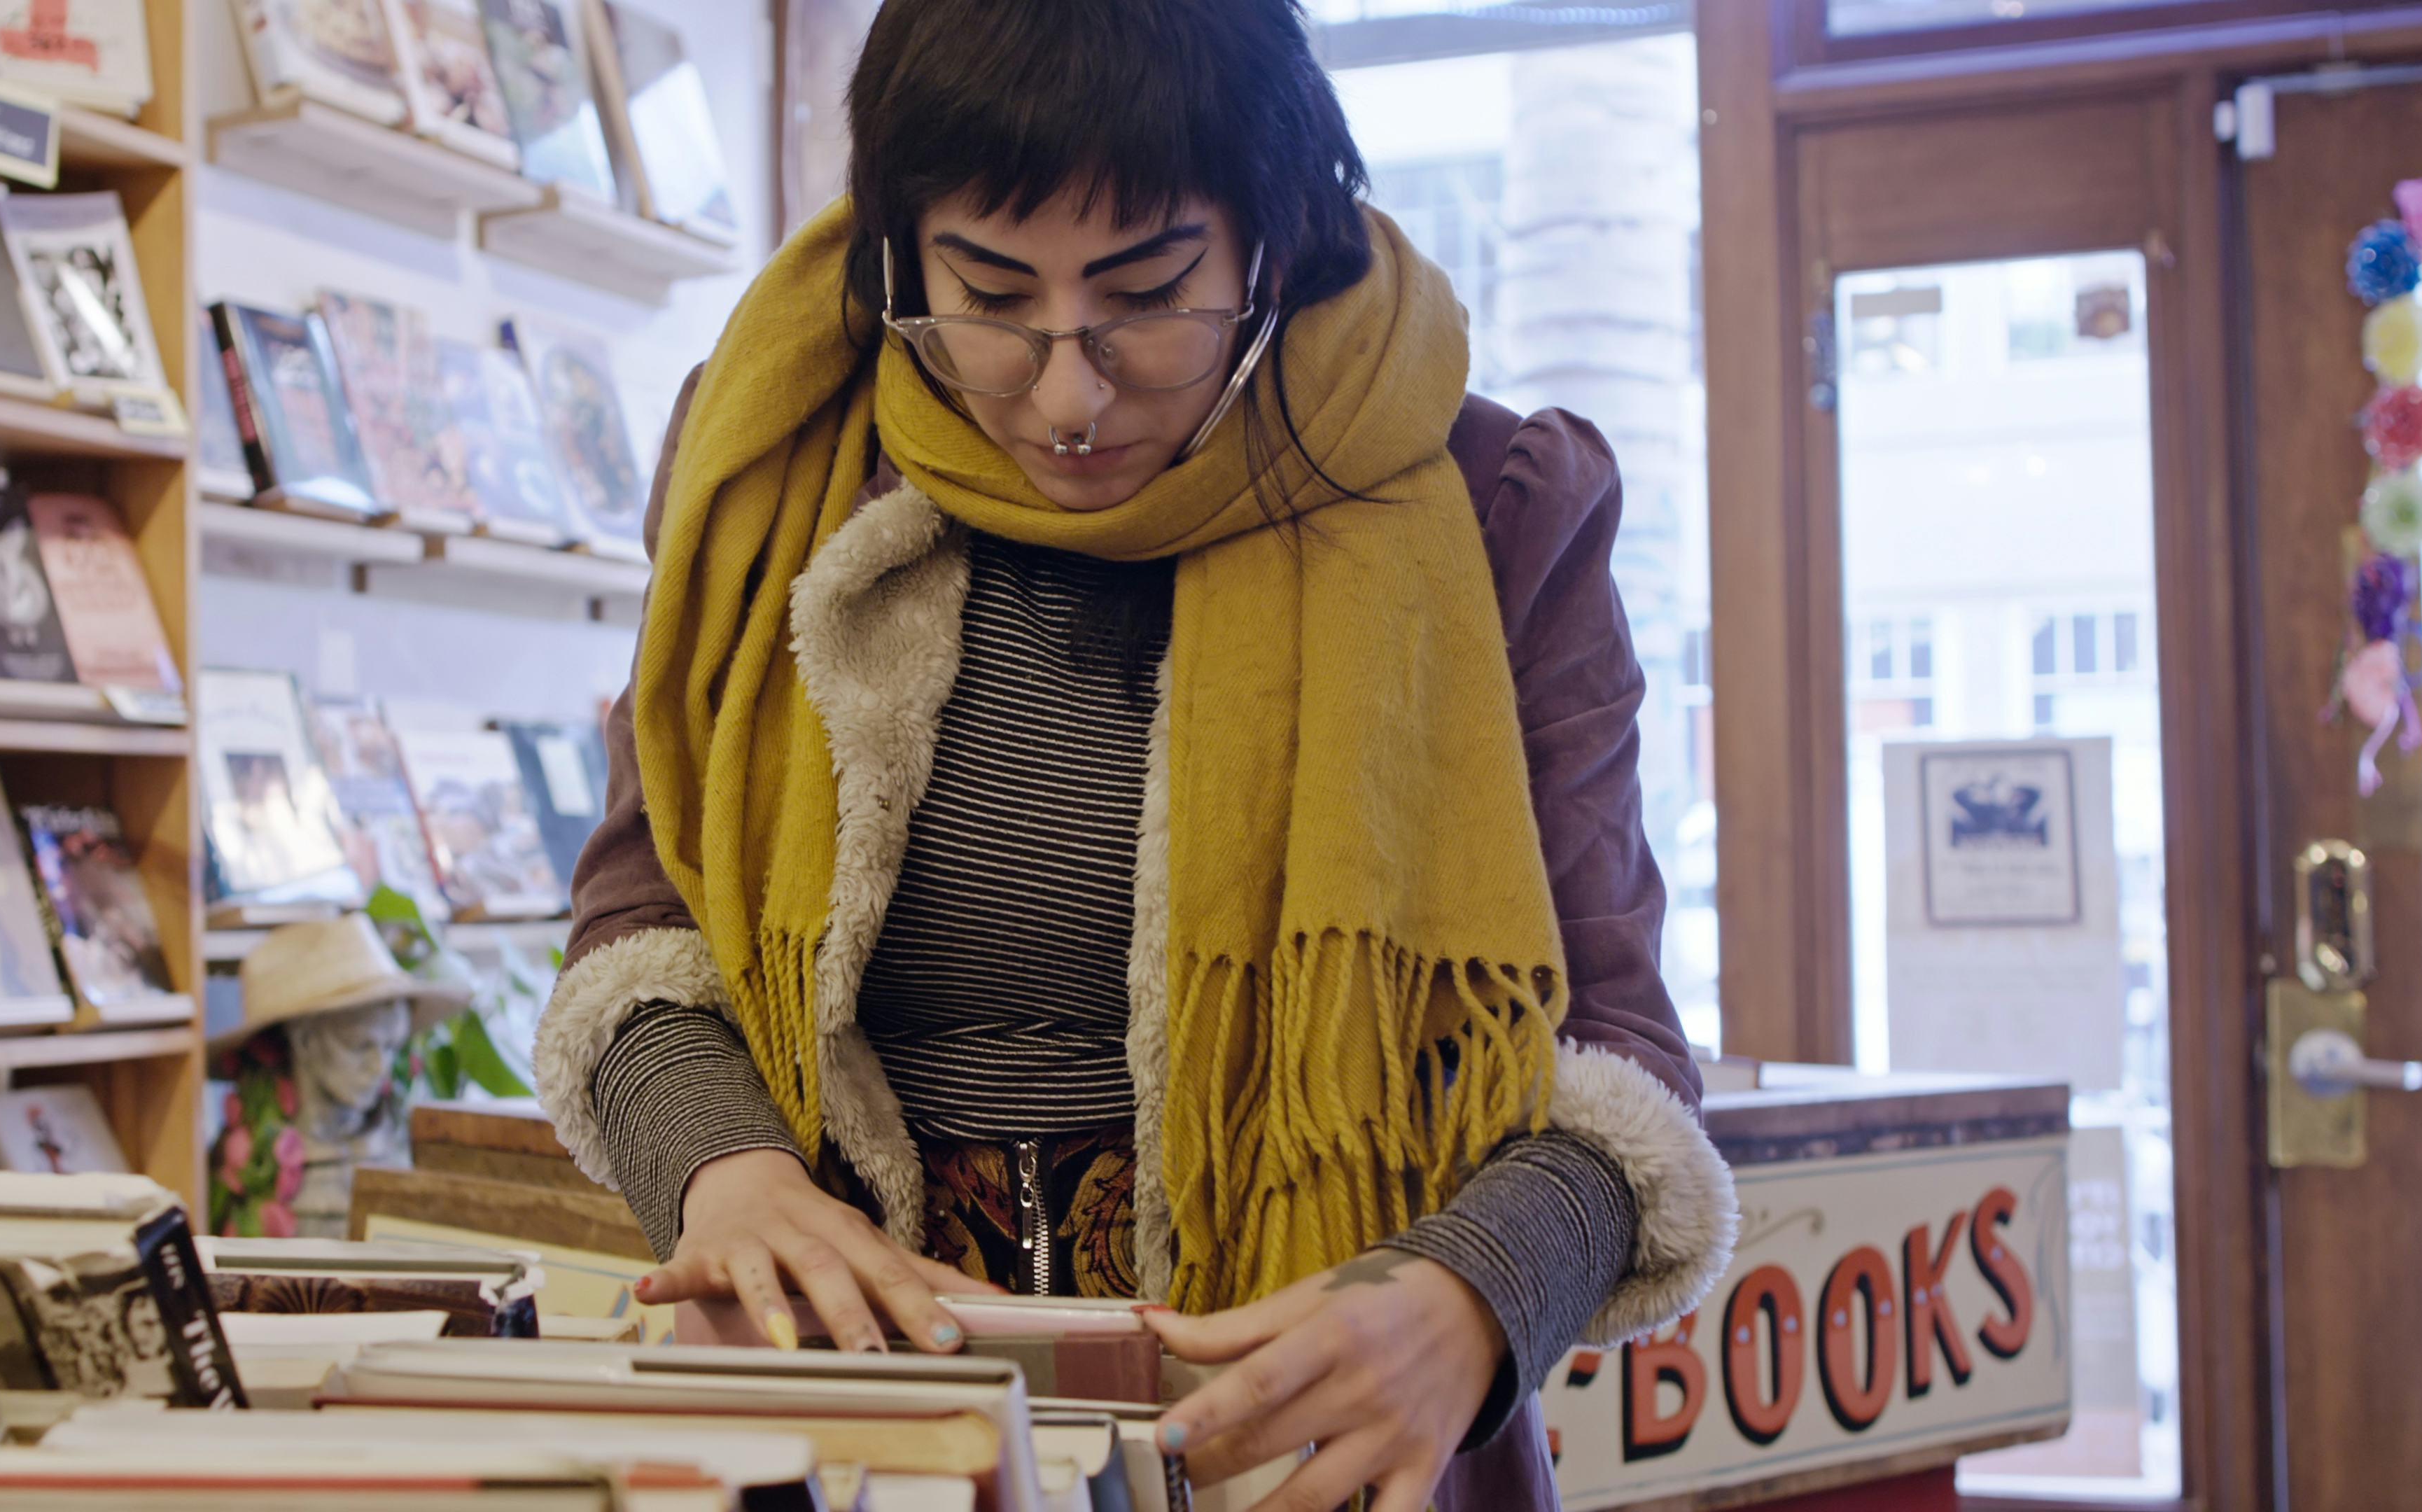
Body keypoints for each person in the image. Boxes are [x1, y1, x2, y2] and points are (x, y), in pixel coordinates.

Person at [539, 2, 1737, 1508]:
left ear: (1275, 236)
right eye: (987, 295)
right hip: (852, 1434)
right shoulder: (767, 467)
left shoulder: (1494, 510)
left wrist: (1467, 1300)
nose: (1066, 394)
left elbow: (1619, 1064)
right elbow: (636, 942)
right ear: (899, 251)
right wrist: (729, 1171)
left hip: (1312, 1453)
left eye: (1148, 295)